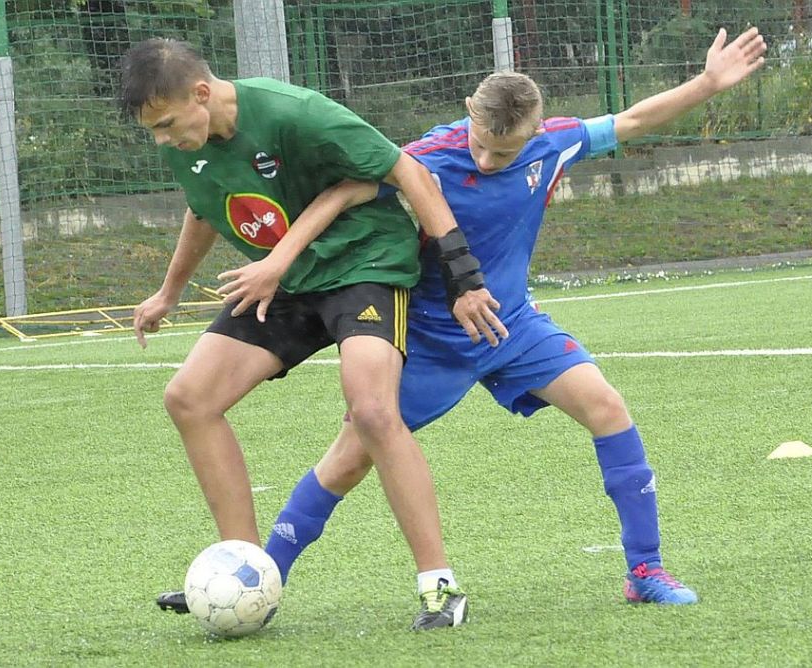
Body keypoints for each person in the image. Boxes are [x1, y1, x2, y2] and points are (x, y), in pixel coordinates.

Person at [252, 27, 768, 606]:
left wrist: (707, 83)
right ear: (469, 111)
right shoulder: (425, 156)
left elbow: (635, 120)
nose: (487, 157)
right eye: (481, 141)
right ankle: (263, 576)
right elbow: (340, 193)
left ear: (537, 131)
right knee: (349, 459)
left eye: (506, 152)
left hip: (513, 328)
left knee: (607, 407)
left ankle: (645, 571)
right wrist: (279, 259)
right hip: (429, 340)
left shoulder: (555, 145)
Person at [119, 37, 507, 630]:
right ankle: (247, 573)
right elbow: (203, 208)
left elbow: (407, 170)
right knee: (189, 398)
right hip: (279, 277)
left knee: (373, 413)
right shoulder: (186, 142)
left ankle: (439, 585)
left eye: (168, 123)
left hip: (363, 264)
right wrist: (168, 293)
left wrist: (465, 279)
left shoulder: (294, 112)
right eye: (155, 130)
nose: (163, 139)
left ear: (202, 92)